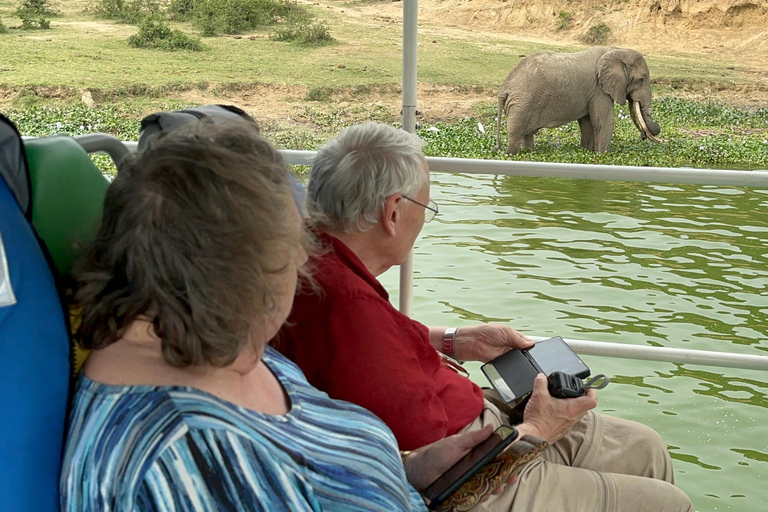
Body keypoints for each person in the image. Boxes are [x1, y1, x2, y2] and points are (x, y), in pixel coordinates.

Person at [59, 120, 520, 511]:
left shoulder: (219, 341)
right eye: (293, 246)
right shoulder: (183, 456)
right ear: (243, 272)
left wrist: (412, 469)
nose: (306, 261)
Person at [276, 122, 694, 511]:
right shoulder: (347, 307)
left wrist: (457, 339)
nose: (426, 216)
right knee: (666, 502)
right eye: (427, 203)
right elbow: (439, 472)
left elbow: (373, 349)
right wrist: (540, 429)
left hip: (481, 423)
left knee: (645, 446)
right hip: (483, 475)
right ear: (393, 212)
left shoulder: (315, 264)